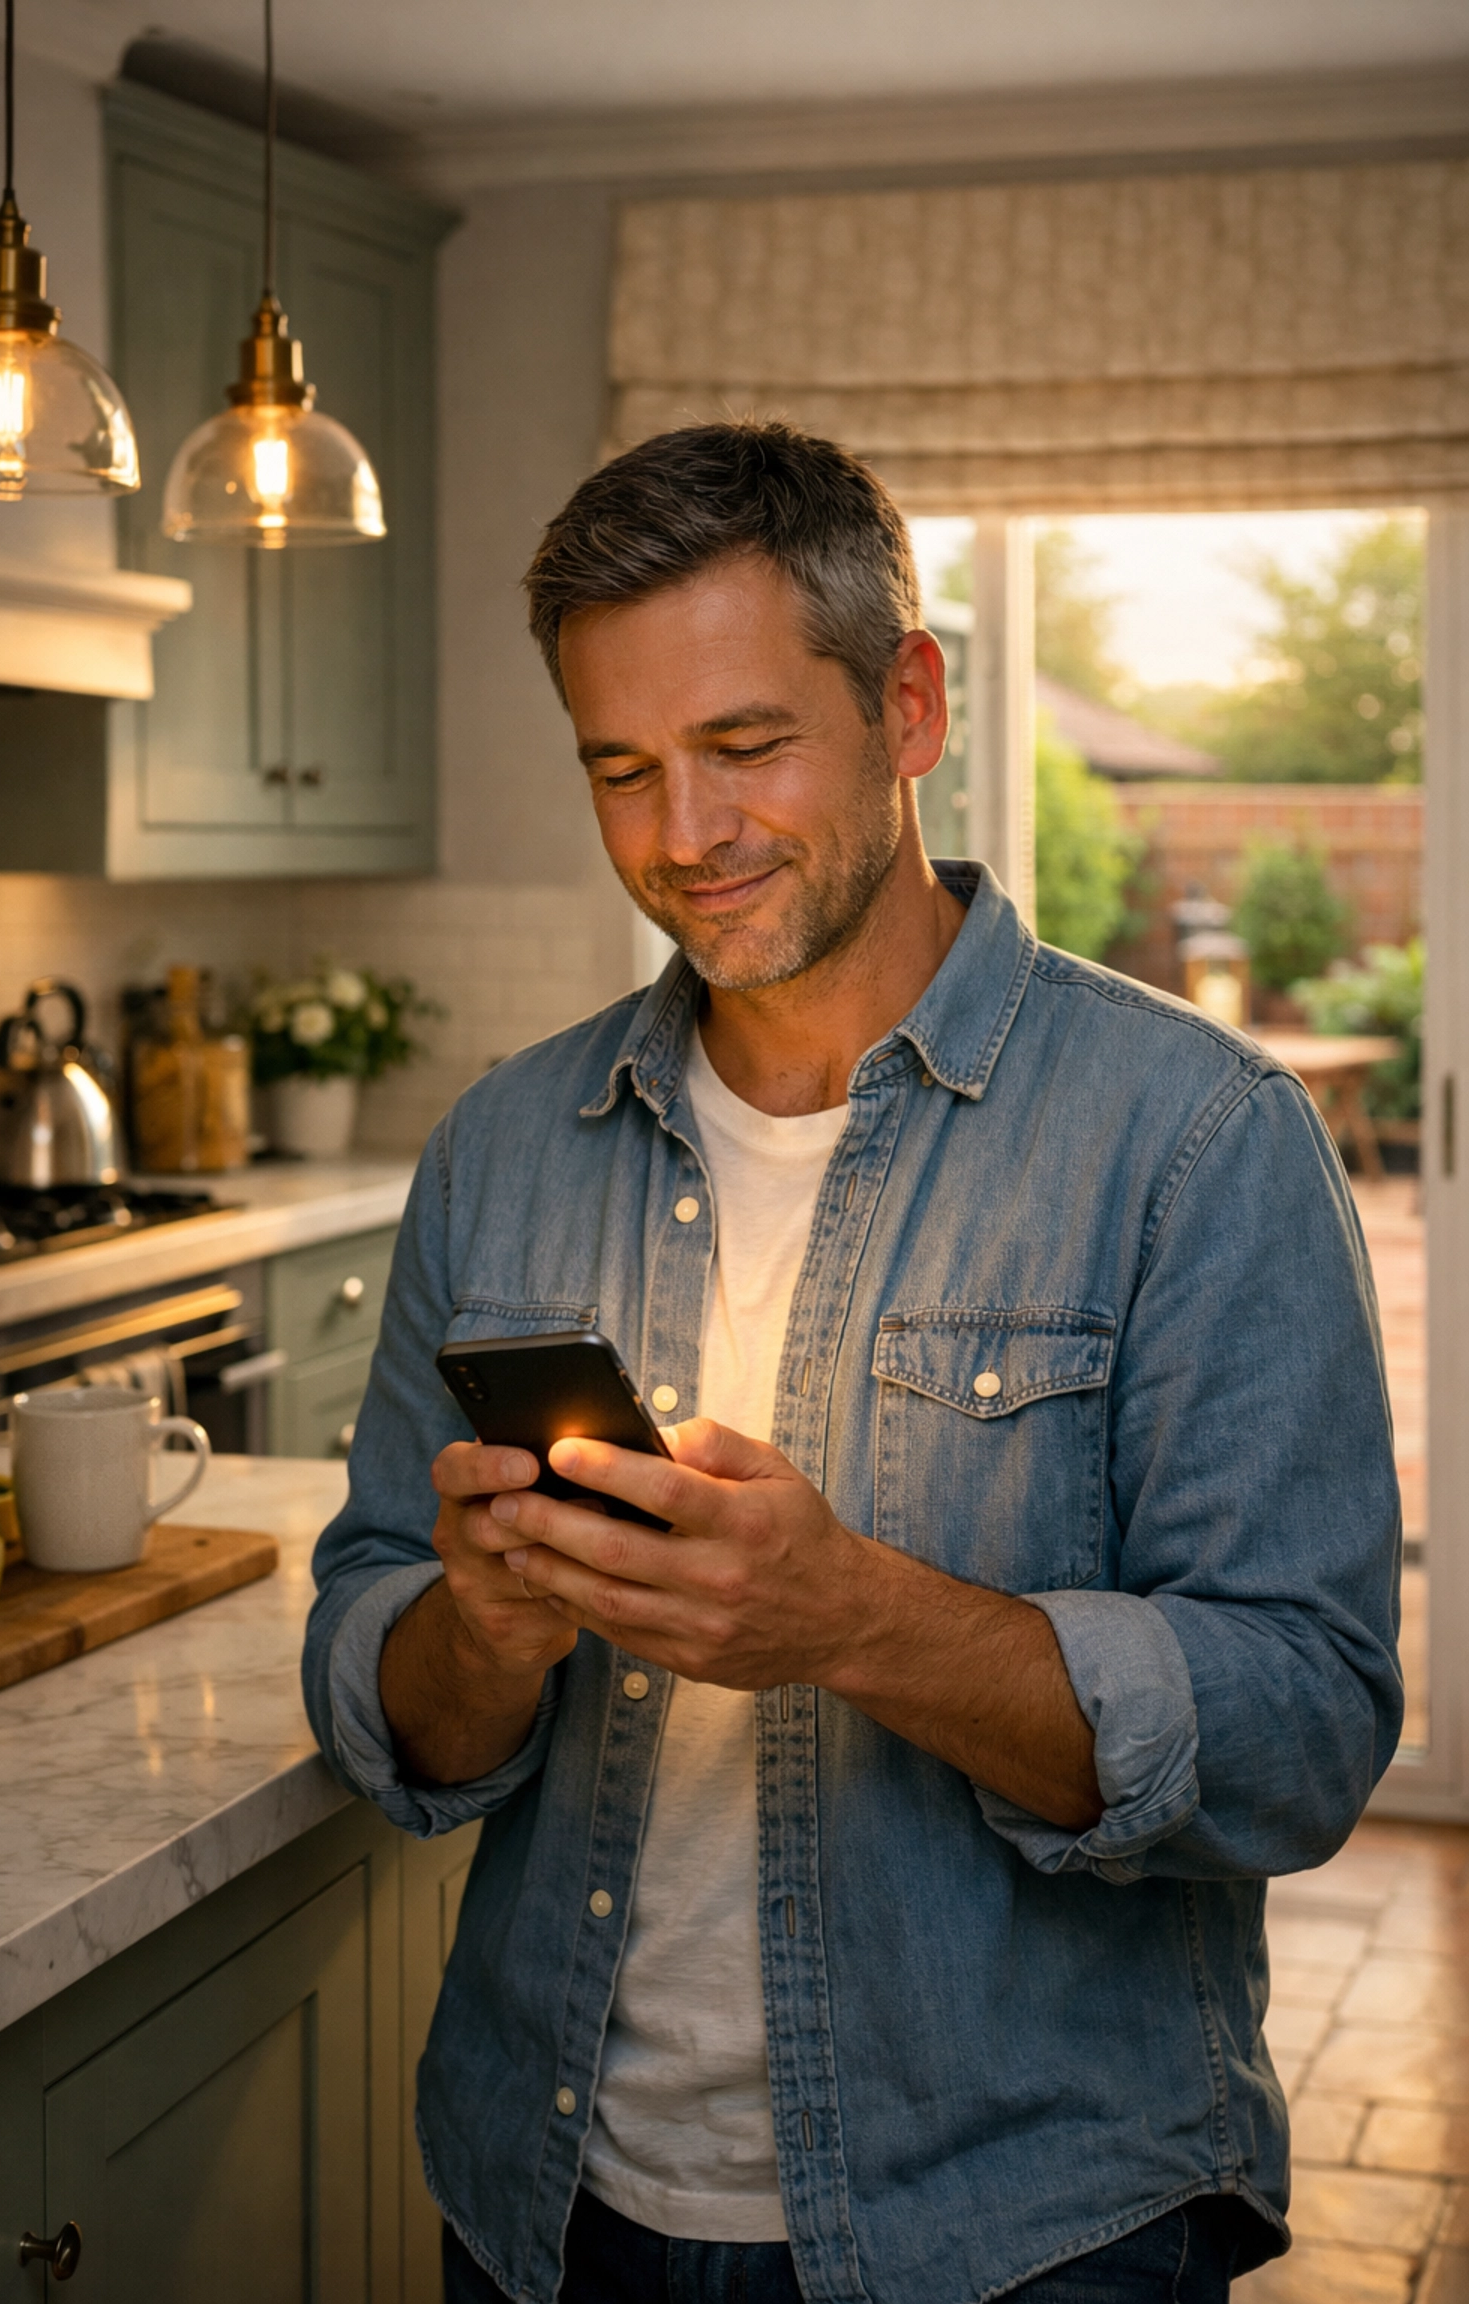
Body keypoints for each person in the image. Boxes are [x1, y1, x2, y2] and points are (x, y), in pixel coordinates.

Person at [303, 420, 1401, 2304]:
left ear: (910, 704)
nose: (682, 836)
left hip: (1031, 2228)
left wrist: (849, 1617)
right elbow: (375, 1667)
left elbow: (1302, 1733)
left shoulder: (1198, 1140)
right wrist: (478, 1634)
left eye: (744, 748)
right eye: (623, 771)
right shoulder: (500, 1145)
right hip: (545, 2196)